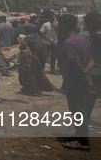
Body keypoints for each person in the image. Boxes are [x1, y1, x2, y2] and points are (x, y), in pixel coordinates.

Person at [57, 14, 96, 152]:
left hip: (76, 83)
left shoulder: (69, 43)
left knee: (78, 112)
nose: (58, 26)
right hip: (83, 81)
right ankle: (78, 136)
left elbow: (76, 64)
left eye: (59, 24)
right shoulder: (83, 40)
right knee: (81, 110)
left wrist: (85, 81)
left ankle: (82, 141)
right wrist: (86, 75)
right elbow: (91, 60)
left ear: (65, 25)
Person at [18, 23, 55, 96]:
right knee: (37, 73)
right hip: (35, 57)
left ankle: (34, 90)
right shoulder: (36, 36)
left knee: (29, 74)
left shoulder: (27, 38)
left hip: (29, 57)